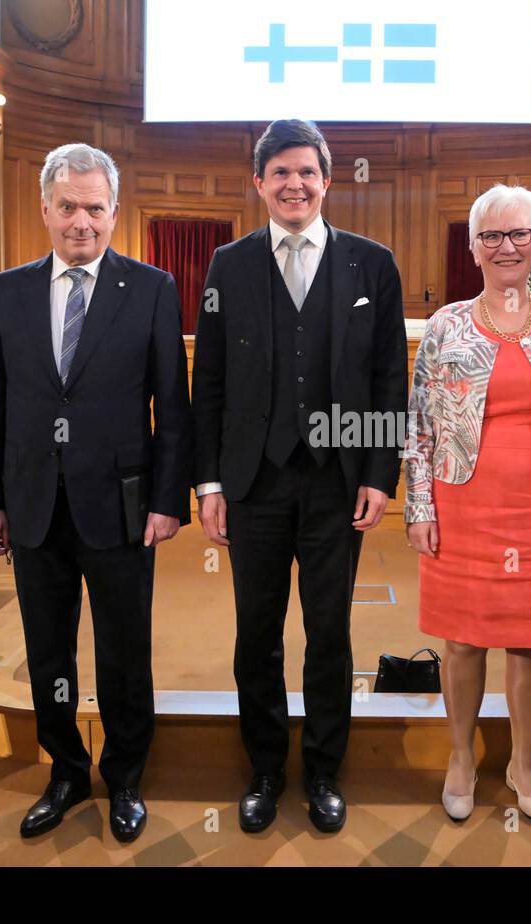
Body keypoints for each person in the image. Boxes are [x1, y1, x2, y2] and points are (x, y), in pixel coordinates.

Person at [0, 143, 192, 844]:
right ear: (45, 208)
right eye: (67, 207)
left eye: (95, 208)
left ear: (114, 212)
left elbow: (172, 407)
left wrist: (166, 499)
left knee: (124, 649)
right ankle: (65, 771)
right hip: (32, 503)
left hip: (123, 506)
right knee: (48, 652)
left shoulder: (152, 288)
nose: (81, 222)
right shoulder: (7, 291)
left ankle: (125, 774)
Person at [191, 119, 408, 834]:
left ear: (326, 179)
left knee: (330, 633)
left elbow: (386, 378)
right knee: (256, 633)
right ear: (259, 183)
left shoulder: (372, 264)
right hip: (251, 482)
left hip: (335, 484)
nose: (294, 184)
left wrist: (381, 473)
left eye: (306, 172)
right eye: (280, 172)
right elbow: (211, 380)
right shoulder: (229, 264)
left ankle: (322, 769)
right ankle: (261, 767)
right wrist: (210, 483)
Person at [404, 184, 531, 824]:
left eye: (518, 233)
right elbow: (419, 426)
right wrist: (420, 507)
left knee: (529, 641)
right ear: (473, 248)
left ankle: (523, 761)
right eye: (492, 236)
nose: (506, 246)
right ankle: (461, 757)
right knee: (462, 641)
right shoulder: (446, 326)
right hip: (463, 505)